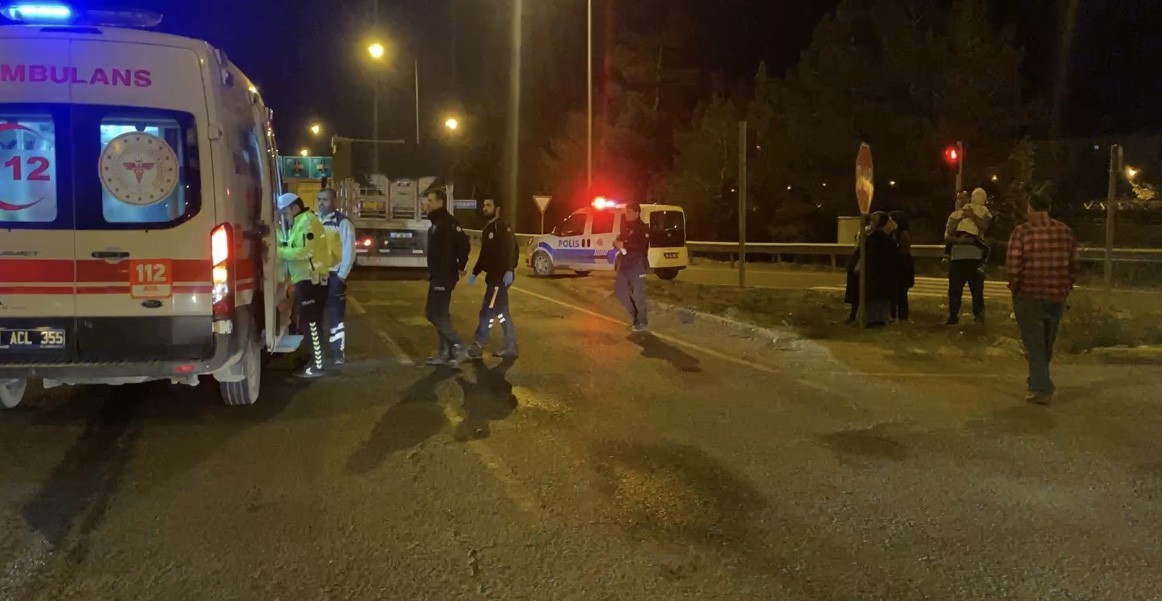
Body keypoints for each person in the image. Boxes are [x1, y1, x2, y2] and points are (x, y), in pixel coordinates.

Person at [1006, 192, 1079, 405]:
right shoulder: (1065, 231)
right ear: (1049, 208)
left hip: (1030, 293)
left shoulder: (1022, 232)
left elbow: (1014, 265)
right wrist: (1066, 285)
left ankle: (1040, 387)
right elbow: (1074, 264)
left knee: (1035, 342)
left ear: (1030, 208)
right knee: (1047, 342)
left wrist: (1015, 285)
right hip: (1056, 295)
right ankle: (1040, 379)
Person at [276, 192, 332, 379]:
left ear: (294, 207)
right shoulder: (299, 223)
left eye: (285, 212)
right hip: (305, 280)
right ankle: (312, 360)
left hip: (311, 281)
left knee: (312, 324)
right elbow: (294, 246)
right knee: (309, 323)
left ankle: (318, 365)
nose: (285, 216)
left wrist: (278, 251)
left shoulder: (307, 222)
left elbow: (304, 251)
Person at [423, 188, 471, 367]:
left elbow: (464, 245)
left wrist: (460, 267)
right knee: (439, 314)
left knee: (434, 314)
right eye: (427, 200)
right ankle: (445, 352)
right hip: (438, 275)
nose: (427, 203)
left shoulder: (447, 223)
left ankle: (459, 346)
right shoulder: (437, 222)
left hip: (444, 276)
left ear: (440, 202)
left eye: (430, 200)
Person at [467, 198, 520, 360]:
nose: (485, 208)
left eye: (488, 205)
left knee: (487, 311)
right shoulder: (488, 228)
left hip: (500, 278)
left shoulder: (501, 227)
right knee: (501, 312)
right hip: (492, 278)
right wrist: (475, 272)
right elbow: (484, 254)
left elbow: (511, 249)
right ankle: (510, 346)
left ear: (497, 208)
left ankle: (479, 343)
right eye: (484, 205)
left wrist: (509, 269)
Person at [317, 189, 356, 365]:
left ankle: (337, 352)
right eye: (319, 199)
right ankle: (318, 352)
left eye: (325, 199)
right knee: (315, 316)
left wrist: (342, 275)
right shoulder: (313, 220)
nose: (321, 203)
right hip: (316, 275)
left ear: (334, 201)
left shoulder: (343, 223)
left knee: (335, 316)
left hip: (334, 276)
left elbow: (349, 251)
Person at [945, 188, 992, 325]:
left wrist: (971, 215)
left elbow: (984, 226)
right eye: (959, 198)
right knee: (954, 290)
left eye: (964, 198)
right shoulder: (955, 216)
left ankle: (979, 316)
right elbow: (947, 236)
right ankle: (953, 316)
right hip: (957, 258)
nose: (961, 201)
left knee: (977, 290)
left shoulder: (982, 212)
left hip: (975, 258)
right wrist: (959, 240)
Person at [613, 202, 651, 332]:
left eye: (629, 212)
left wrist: (624, 244)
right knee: (620, 291)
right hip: (625, 264)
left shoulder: (643, 228)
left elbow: (641, 246)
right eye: (626, 211)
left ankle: (642, 322)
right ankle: (636, 318)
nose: (626, 214)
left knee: (638, 294)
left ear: (637, 213)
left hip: (637, 264)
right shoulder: (626, 227)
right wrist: (617, 243)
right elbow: (620, 240)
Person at [863, 212, 899, 327]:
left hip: (875, 274)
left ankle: (874, 319)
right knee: (880, 297)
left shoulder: (873, 237)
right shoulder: (884, 239)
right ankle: (878, 319)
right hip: (882, 274)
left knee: (875, 297)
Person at [888, 210, 914, 322]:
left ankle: (901, 316)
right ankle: (894, 315)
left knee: (901, 292)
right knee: (895, 292)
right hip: (899, 264)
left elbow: (904, 250)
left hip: (902, 265)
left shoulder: (902, 234)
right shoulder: (894, 233)